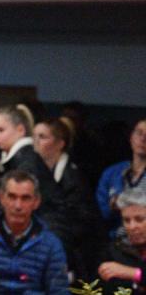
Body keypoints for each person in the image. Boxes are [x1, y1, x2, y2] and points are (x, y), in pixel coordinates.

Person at [0, 170, 70, 295]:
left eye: (25, 198)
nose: (18, 206)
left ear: (36, 202)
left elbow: (59, 291)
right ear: (1, 198)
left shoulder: (51, 244)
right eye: (12, 197)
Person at [33, 117, 98, 279]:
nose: (35, 142)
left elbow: (81, 223)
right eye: (34, 136)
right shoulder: (38, 171)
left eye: (42, 137)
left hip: (75, 254)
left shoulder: (73, 178)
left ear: (60, 144)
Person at [97, 119, 146, 238]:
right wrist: (112, 207)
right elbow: (99, 214)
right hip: (118, 240)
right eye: (139, 133)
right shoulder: (112, 173)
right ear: (131, 138)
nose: (143, 138)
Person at [98, 189, 146, 294]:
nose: (132, 227)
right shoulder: (115, 252)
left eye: (139, 219)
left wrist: (133, 274)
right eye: (126, 220)